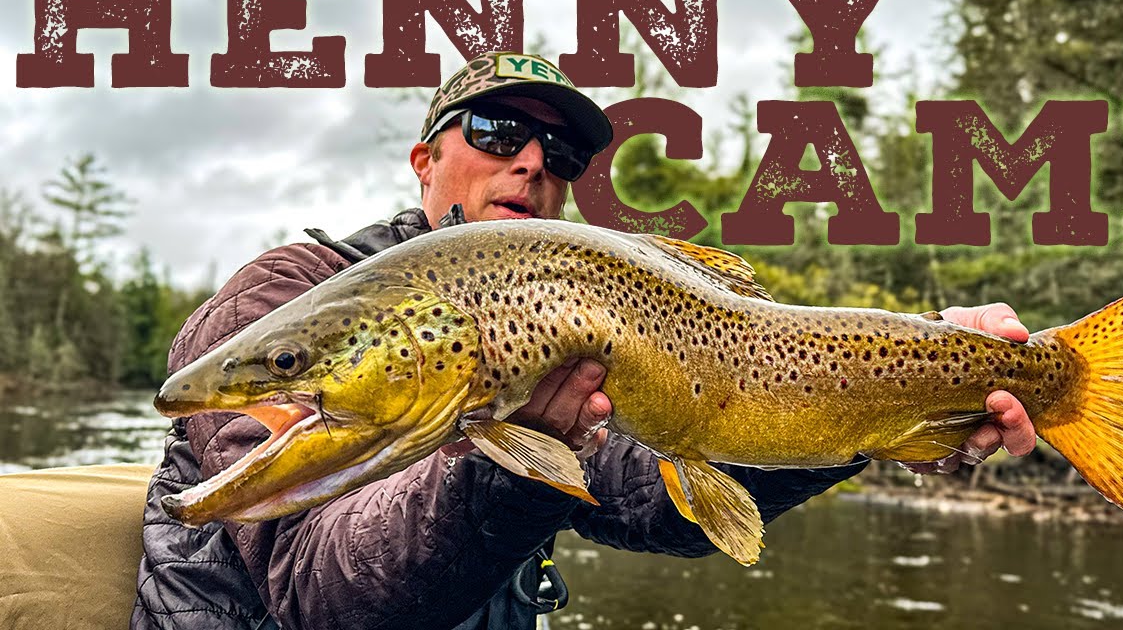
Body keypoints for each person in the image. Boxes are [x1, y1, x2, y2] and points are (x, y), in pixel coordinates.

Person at [132, 51, 1037, 630]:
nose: (531, 161)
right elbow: (319, 599)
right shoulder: (283, 297)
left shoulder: (565, 323)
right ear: (424, 161)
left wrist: (902, 396)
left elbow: (651, 503)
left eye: (559, 154)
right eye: (496, 132)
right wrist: (513, 458)